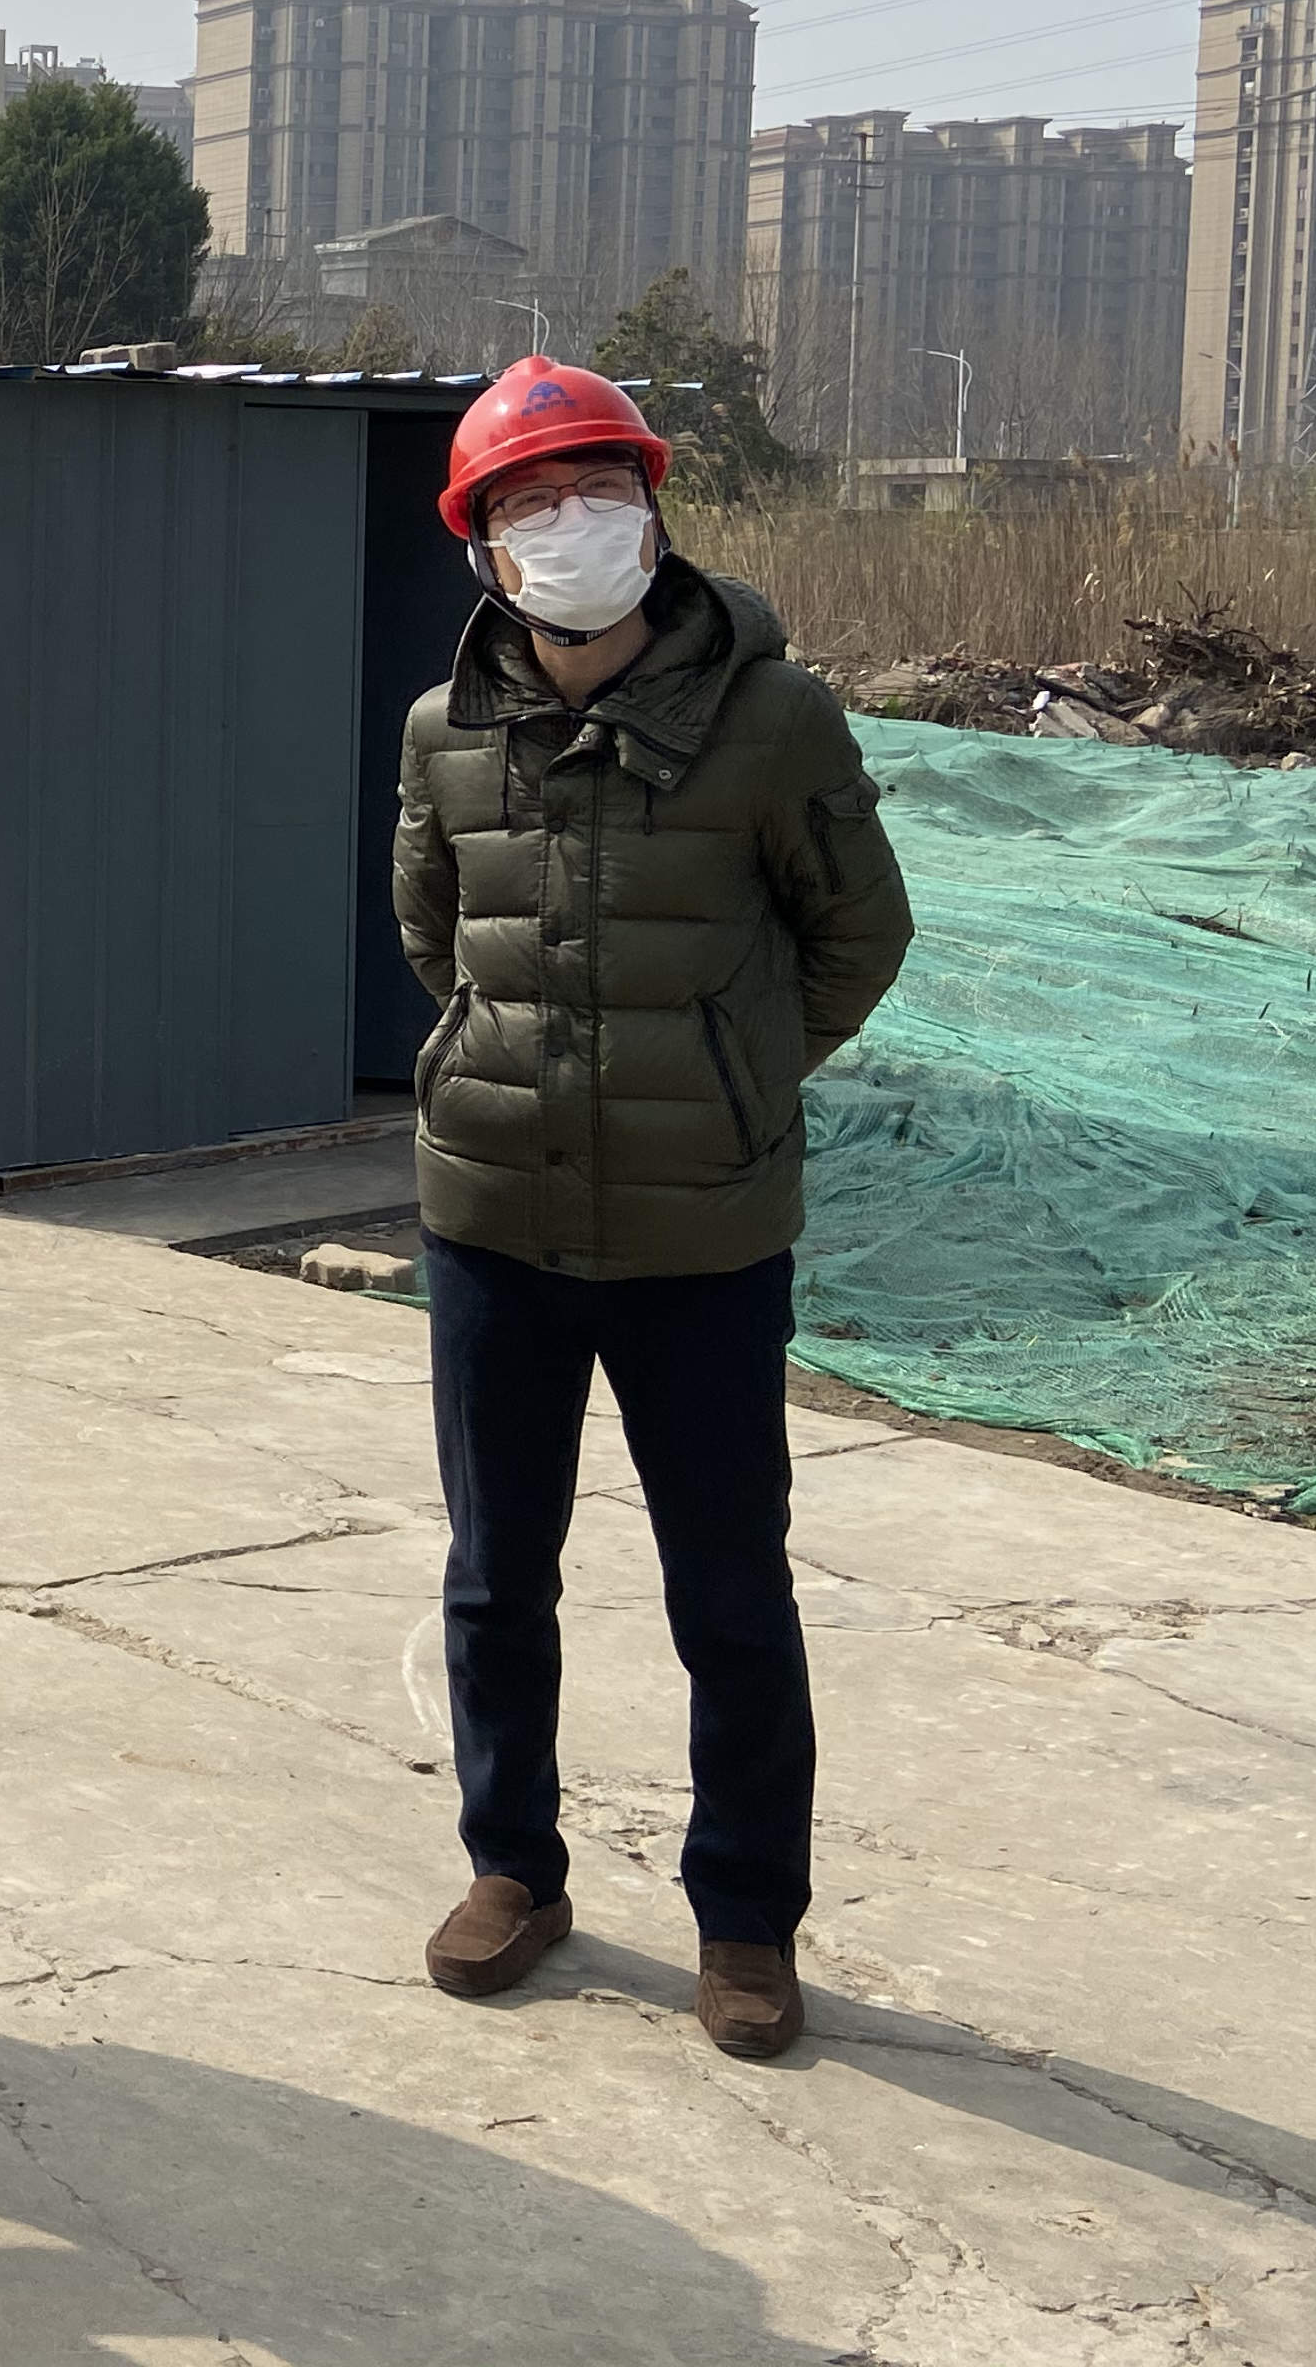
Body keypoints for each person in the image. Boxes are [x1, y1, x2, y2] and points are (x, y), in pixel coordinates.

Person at [392, 356, 912, 2064]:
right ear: (484, 546)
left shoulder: (777, 719)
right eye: (530, 503)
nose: (571, 525)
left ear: (654, 509)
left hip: (704, 1240)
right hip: (492, 1222)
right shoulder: (446, 731)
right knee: (496, 1576)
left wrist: (735, 1076)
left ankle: (746, 1917)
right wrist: (514, 1067)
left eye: (597, 489)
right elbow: (435, 935)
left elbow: (861, 934)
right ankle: (512, 1869)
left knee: (729, 1588)